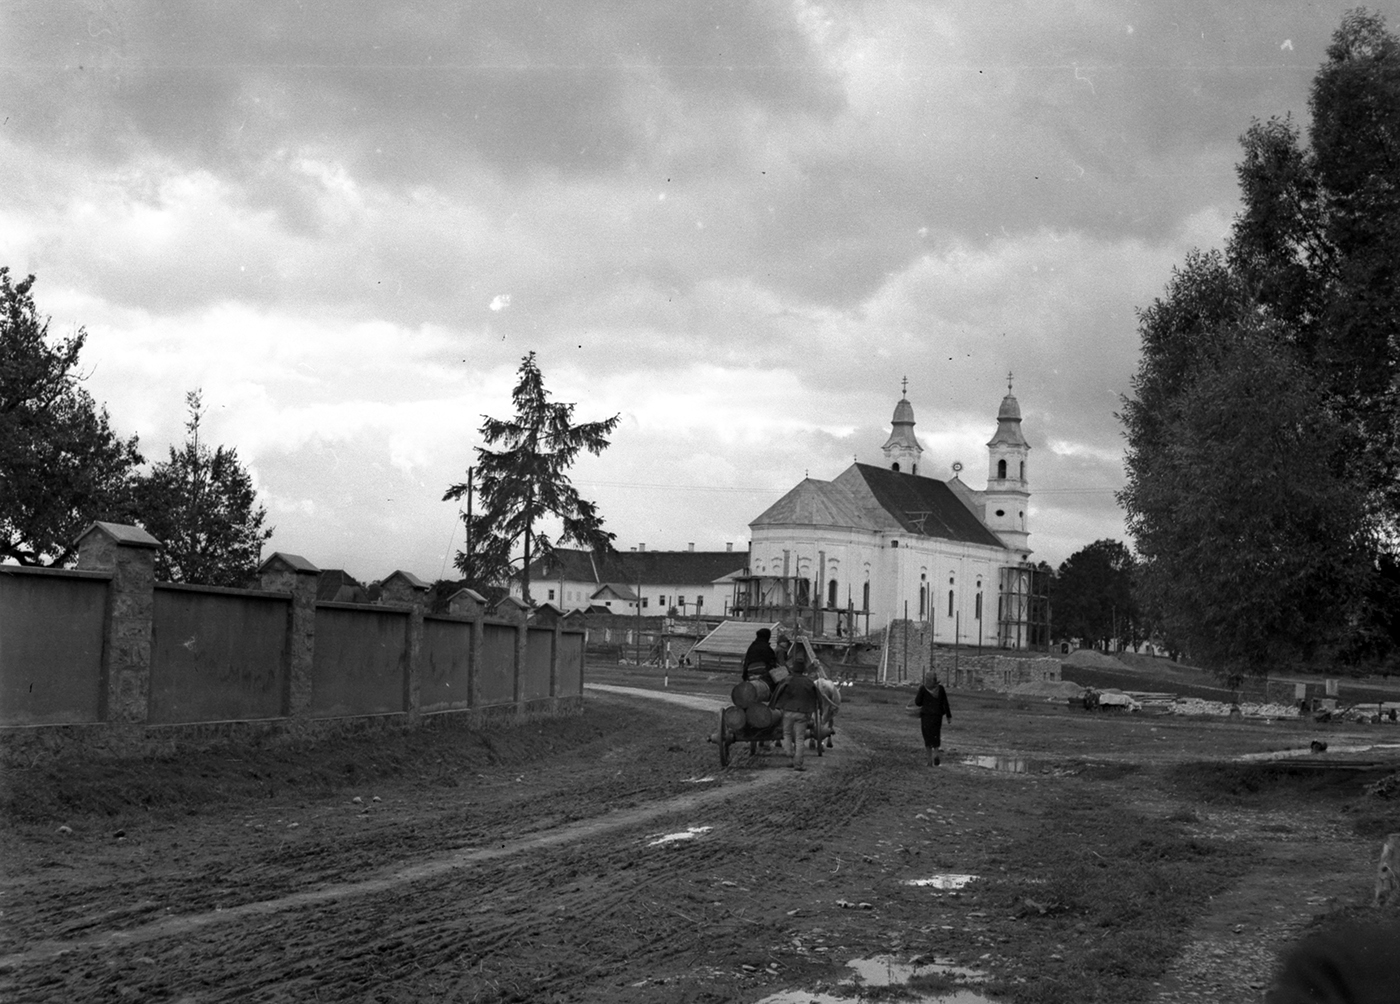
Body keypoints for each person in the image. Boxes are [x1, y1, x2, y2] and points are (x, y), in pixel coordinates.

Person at [772, 648, 821, 771]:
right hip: (803, 713)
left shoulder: (787, 680)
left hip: (788, 711)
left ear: (793, 669)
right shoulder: (809, 682)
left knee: (787, 734)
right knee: (799, 738)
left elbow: (778, 693)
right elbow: (818, 697)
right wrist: (817, 708)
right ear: (804, 670)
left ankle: (789, 758)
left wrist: (773, 706)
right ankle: (798, 764)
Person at [914, 671, 952, 766]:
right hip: (937, 717)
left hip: (926, 717)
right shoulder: (941, 689)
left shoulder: (923, 689)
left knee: (927, 737)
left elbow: (918, 702)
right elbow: (945, 703)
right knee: (936, 735)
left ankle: (929, 761)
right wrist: (948, 716)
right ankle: (936, 754)